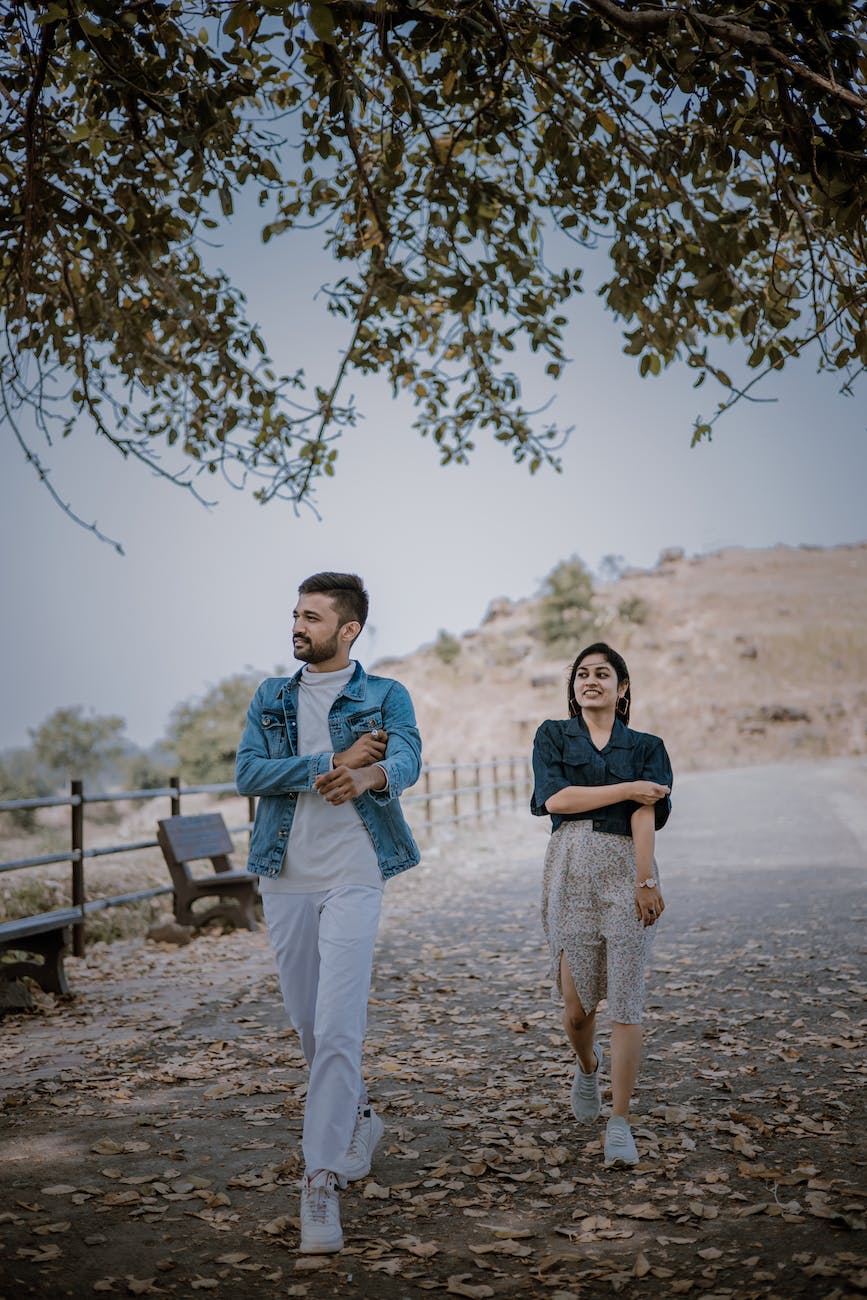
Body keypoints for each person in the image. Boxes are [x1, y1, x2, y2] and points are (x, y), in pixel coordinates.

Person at [235, 572, 422, 1253]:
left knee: (339, 1024)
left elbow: (407, 756)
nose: (297, 625)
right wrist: (328, 760)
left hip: (354, 873)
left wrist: (368, 774)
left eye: (311, 617)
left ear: (348, 630)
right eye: (295, 613)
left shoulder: (384, 694)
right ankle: (360, 1116)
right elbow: (247, 773)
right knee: (309, 1026)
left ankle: (318, 1181)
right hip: (284, 878)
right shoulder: (270, 697)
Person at [530, 642, 672, 1167]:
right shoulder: (552, 735)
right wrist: (629, 787)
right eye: (582, 674)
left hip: (626, 869)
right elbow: (557, 800)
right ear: (574, 687)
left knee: (628, 999)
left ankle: (620, 1122)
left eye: (603, 674)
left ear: (623, 687)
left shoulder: (647, 746)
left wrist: (646, 877)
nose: (591, 681)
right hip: (569, 867)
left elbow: (646, 814)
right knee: (577, 1005)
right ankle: (587, 1066)